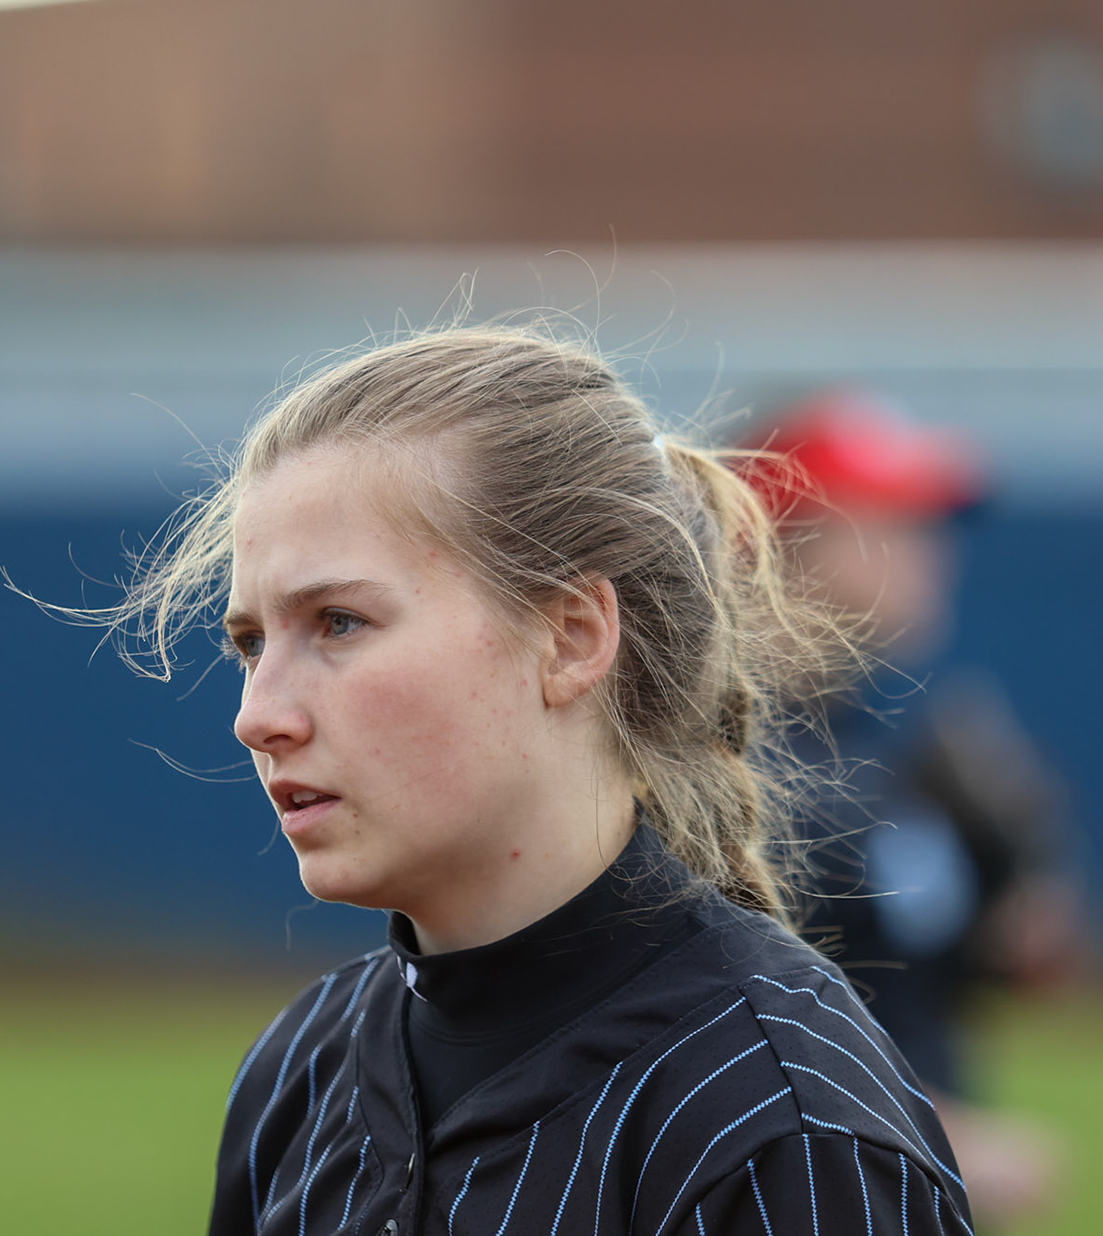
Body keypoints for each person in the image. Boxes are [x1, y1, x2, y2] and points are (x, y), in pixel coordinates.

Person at [64, 326, 972, 1235]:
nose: (258, 714)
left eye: (339, 622)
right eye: (252, 644)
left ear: (571, 637)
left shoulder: (784, 1130)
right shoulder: (300, 1074)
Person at [742, 392, 1085, 1229]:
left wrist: (1023, 875)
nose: (935, 555)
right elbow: (717, 1026)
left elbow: (973, 977)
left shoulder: (879, 750)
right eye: (897, 524)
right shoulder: (745, 773)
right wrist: (935, 1135)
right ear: (796, 547)